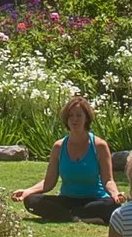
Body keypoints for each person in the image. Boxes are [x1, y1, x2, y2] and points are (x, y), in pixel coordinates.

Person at [12, 95, 118, 223]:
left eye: (79, 115)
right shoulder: (59, 146)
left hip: (95, 200)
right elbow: (49, 182)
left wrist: (115, 194)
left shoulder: (99, 145)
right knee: (31, 200)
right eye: (71, 116)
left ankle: (68, 216)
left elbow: (108, 180)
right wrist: (27, 192)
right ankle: (79, 218)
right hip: (67, 199)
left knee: (112, 205)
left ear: (86, 118)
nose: (74, 119)